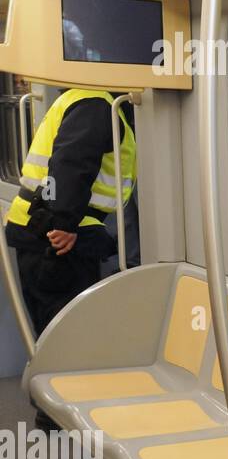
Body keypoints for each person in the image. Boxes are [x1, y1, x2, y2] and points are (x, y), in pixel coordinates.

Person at [5, 87, 136, 426]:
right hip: (55, 234)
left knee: (51, 327)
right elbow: (71, 162)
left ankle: (54, 416)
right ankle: (59, 419)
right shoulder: (96, 105)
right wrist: (62, 222)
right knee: (65, 331)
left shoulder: (79, 97)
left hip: (39, 229)